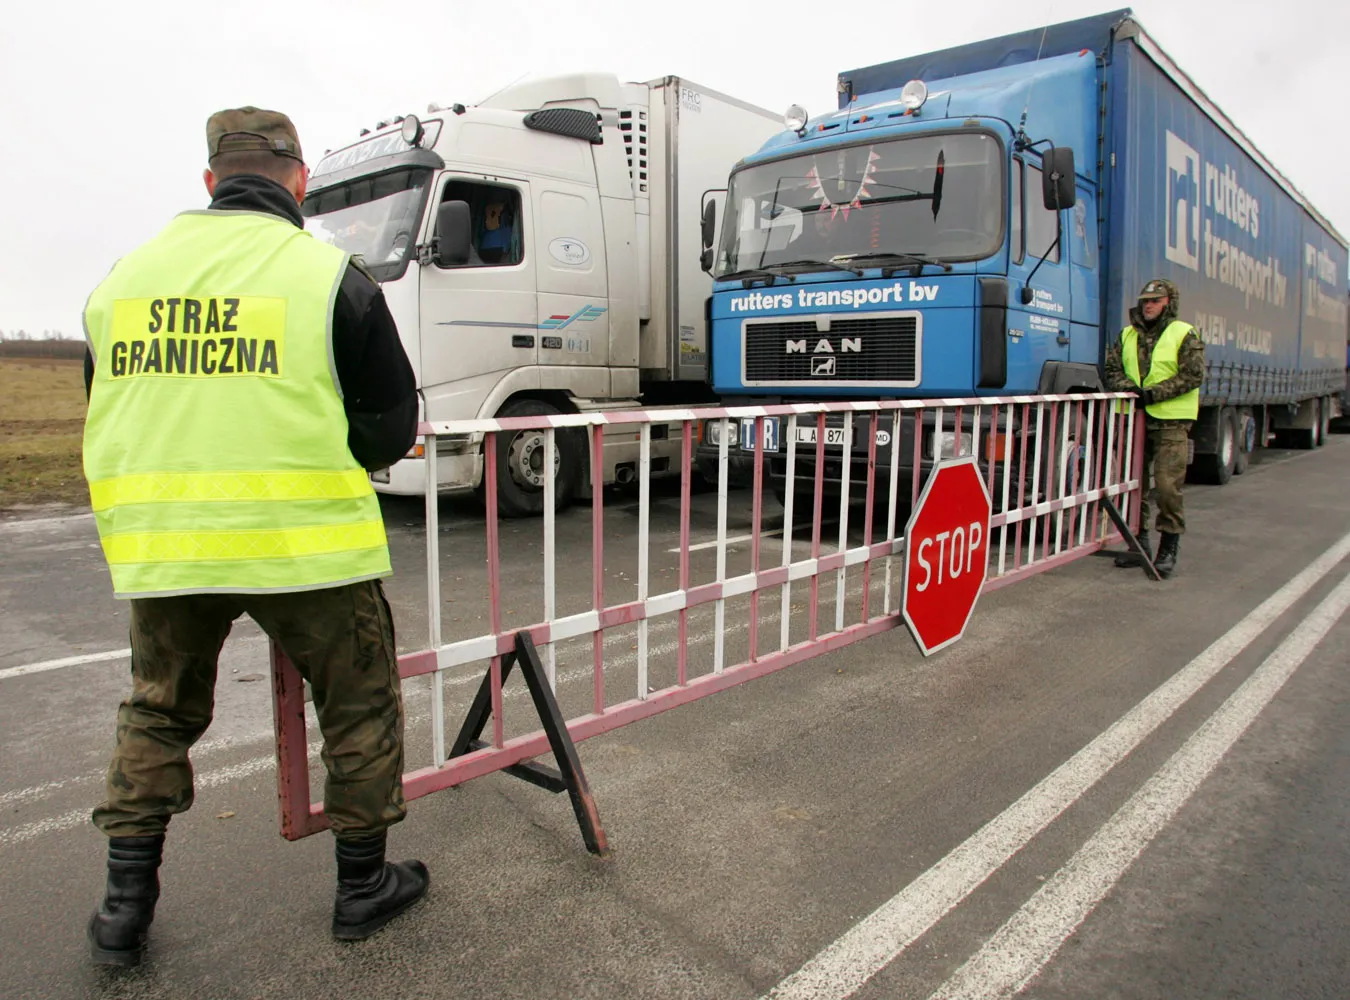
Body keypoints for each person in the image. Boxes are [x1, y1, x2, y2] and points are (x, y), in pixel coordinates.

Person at [81, 106, 427, 966]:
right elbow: (390, 428)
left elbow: (107, 404)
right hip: (308, 548)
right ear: (300, 183)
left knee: (157, 713)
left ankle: (123, 911)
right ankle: (361, 886)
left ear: (210, 181)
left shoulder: (120, 282)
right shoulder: (331, 278)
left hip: (167, 547)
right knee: (357, 707)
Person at [1103, 278, 1205, 578]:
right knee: (1133, 486)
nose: (1148, 305)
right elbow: (1111, 369)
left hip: (1171, 421)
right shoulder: (1127, 334)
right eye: (1145, 301)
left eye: (1155, 301)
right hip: (1133, 419)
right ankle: (1138, 544)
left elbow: (1193, 374)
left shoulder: (1183, 333)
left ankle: (1168, 547)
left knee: (1166, 486)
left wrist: (1154, 394)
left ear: (1168, 303)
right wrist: (1131, 390)